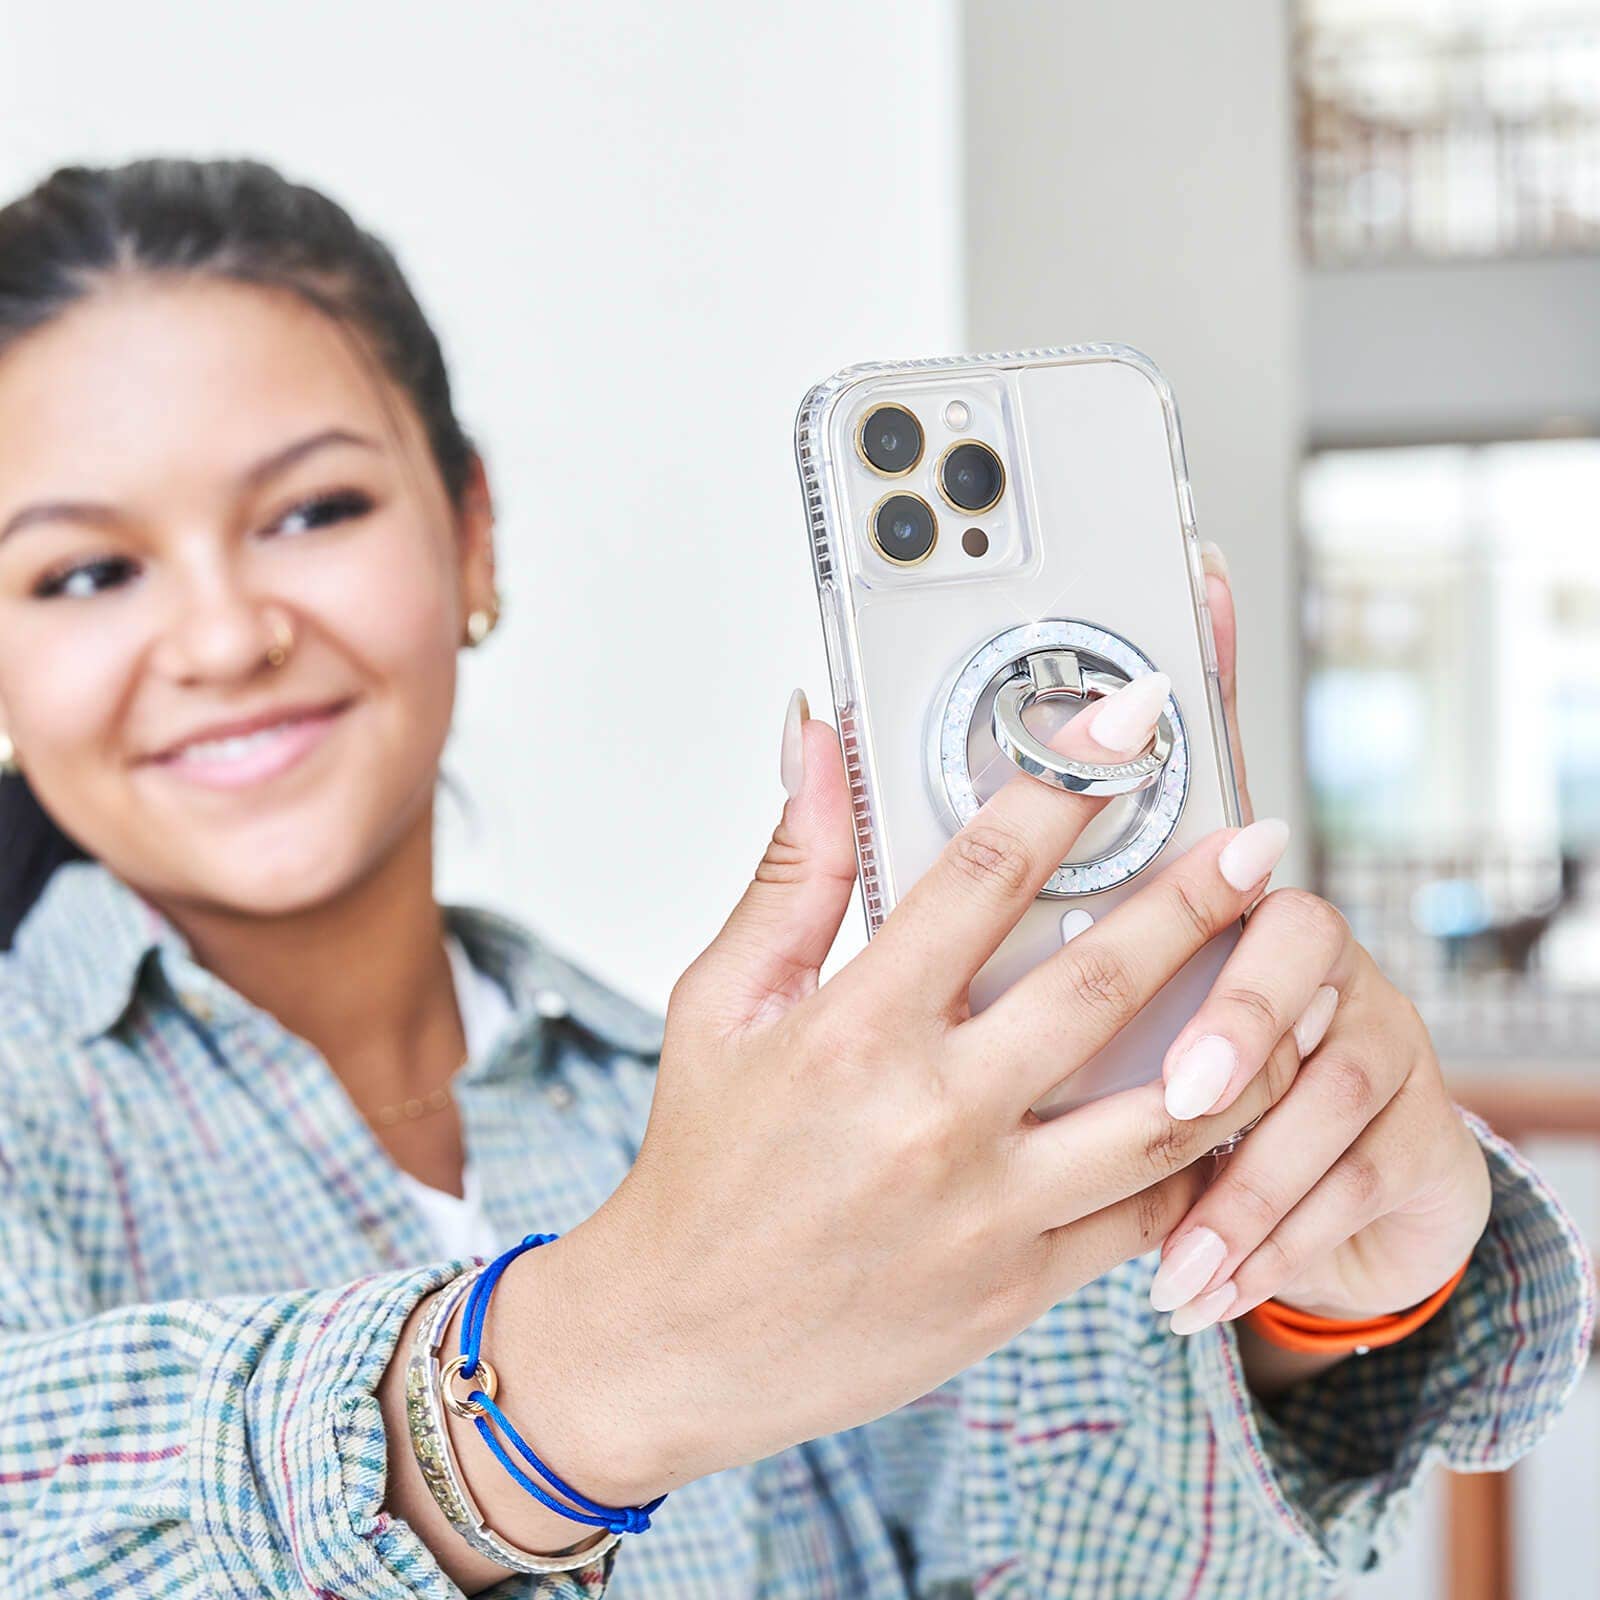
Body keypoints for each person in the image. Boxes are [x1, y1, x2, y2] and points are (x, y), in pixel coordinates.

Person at [0, 157, 1587, 1600]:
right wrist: (575, 1378)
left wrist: (1310, 1309)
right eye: (83, 571)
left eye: (312, 510)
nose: (222, 638)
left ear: (472, 535)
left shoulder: (753, 1117)